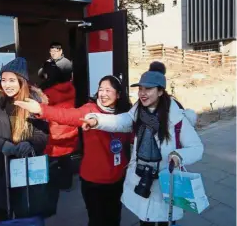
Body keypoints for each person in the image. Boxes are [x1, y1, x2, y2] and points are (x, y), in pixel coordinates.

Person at [82, 62, 204, 226]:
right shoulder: (139, 109)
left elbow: (197, 148)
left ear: (160, 91)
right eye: (140, 89)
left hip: (165, 182)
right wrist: (97, 119)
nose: (142, 93)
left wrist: (179, 155)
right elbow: (122, 120)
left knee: (162, 220)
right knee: (144, 219)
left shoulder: (177, 118)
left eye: (148, 89)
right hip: (142, 178)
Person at [14, 75, 133, 226]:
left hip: (117, 179)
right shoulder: (90, 110)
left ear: (118, 94)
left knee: (114, 218)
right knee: (97, 221)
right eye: (101, 89)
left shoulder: (125, 115)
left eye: (108, 90)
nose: (103, 94)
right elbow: (67, 115)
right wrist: (41, 109)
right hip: (93, 181)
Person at [0, 57, 54, 226]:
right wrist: (2, 145)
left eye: (12, 80)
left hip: (27, 179)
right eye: (3, 80)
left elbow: (42, 135)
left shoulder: (33, 106)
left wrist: (30, 143)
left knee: (28, 220)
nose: (7, 85)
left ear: (21, 82)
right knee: (1, 221)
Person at [38, 59, 78, 190]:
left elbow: (41, 110)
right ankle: (67, 184)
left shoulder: (48, 93)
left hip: (55, 131)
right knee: (66, 157)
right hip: (70, 127)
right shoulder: (71, 88)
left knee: (51, 160)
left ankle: (50, 184)